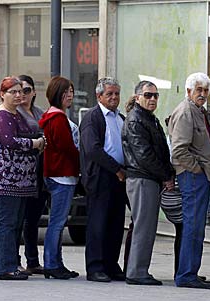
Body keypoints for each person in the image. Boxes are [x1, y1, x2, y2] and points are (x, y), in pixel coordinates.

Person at [0, 77, 45, 280]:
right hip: (7, 180)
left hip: (23, 181)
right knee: (7, 223)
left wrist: (38, 140)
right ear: (2, 94)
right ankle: (5, 267)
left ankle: (12, 263)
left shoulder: (18, 115)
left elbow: (33, 132)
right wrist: (35, 144)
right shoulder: (2, 115)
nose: (18, 95)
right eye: (13, 92)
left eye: (20, 91)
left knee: (17, 224)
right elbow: (10, 141)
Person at [122, 80, 175, 286]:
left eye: (155, 95)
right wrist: (166, 175)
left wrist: (166, 173)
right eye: (148, 95)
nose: (152, 99)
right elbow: (144, 155)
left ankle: (138, 269)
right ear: (137, 97)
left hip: (148, 178)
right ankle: (136, 272)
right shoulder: (136, 119)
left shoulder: (148, 118)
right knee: (144, 226)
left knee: (146, 226)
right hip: (142, 178)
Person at [168, 72, 210, 289]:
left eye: (206, 91)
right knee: (193, 226)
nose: (203, 94)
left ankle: (190, 272)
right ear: (189, 91)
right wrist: (198, 169)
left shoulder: (198, 111)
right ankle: (186, 275)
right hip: (192, 176)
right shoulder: (186, 112)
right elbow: (178, 150)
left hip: (199, 176)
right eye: (199, 90)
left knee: (196, 226)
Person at [80, 77, 127, 283]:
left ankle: (111, 264)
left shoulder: (120, 118)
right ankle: (95, 267)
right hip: (101, 175)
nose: (114, 97)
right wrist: (115, 168)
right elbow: (93, 149)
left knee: (115, 224)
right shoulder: (93, 117)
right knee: (98, 224)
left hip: (120, 177)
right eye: (109, 94)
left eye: (116, 93)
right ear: (99, 96)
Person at [38, 76, 80, 280]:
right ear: (57, 94)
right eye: (65, 92)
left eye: (71, 91)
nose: (70, 95)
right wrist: (81, 163)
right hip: (62, 175)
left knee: (58, 221)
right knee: (57, 222)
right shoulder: (58, 119)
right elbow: (67, 148)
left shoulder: (52, 116)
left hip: (57, 174)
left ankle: (56, 263)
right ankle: (52, 264)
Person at [15, 74, 47, 275]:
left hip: (39, 172)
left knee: (33, 219)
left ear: (34, 92)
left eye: (27, 90)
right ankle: (14, 260)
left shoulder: (39, 113)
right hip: (20, 173)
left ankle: (33, 260)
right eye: (19, 90)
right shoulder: (13, 114)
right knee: (18, 220)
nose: (23, 95)